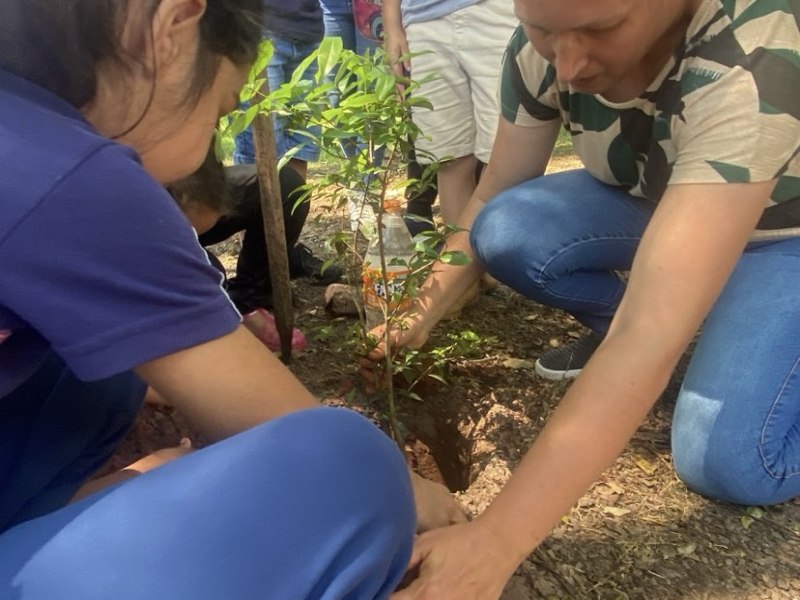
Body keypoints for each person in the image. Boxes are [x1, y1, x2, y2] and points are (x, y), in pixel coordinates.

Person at [0, 2, 464, 598]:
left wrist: (130, 490)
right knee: (354, 466)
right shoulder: (71, 174)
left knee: (103, 369)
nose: (208, 149)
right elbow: (288, 427)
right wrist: (412, 494)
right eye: (221, 109)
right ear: (172, 23)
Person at [374, 0, 800, 598]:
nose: (568, 66)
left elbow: (648, 326)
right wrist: (419, 312)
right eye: (542, 28)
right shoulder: (539, 51)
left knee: (730, 461)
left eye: (600, 30)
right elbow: (497, 184)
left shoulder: (749, 51)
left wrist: (496, 540)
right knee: (508, 227)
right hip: (660, 199)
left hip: (784, 231)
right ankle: (708, 325)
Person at [382, 0, 518, 228]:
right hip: (422, 20)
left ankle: (500, 260)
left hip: (497, 11)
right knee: (449, 160)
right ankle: (465, 259)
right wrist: (391, 24)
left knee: (506, 157)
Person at [171, 143, 342, 314]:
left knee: (284, 184)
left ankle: (253, 293)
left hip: (184, 185)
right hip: (160, 219)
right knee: (209, 278)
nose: (225, 209)